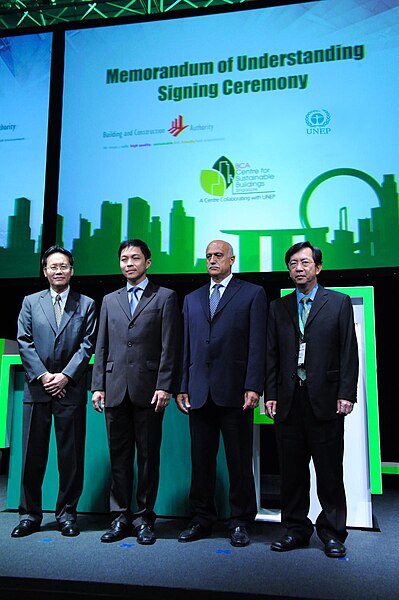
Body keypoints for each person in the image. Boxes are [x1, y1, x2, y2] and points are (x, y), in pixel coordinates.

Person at [265, 241, 358, 558]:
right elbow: (271, 356)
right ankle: (295, 529)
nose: (299, 268)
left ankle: (332, 532)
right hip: (289, 401)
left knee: (329, 471)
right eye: (293, 263)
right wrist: (271, 394)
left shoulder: (338, 303)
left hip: (327, 400)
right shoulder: (279, 307)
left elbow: (349, 352)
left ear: (318, 267)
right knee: (291, 473)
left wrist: (347, 393)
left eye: (305, 262)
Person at [176, 240, 267, 547]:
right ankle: (201, 518)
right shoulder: (191, 298)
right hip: (199, 392)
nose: (212, 260)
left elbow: (257, 345)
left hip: (236, 392)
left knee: (239, 461)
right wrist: (182, 386)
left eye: (218, 256)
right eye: (208, 256)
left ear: (232, 259)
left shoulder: (252, 293)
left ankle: (240, 520)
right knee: (200, 461)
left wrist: (254, 385)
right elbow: (185, 346)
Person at [91, 239, 181, 545]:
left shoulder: (165, 297)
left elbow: (171, 346)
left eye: (135, 258)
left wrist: (165, 385)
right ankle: (120, 517)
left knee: (147, 457)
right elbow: (101, 345)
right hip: (114, 388)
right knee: (119, 457)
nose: (129, 263)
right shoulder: (108, 299)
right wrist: (98, 385)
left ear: (148, 262)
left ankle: (144, 518)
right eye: (124, 259)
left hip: (149, 390)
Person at [11, 245, 97, 538]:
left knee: (70, 457)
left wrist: (65, 377)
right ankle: (29, 515)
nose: (58, 271)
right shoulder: (30, 302)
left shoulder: (86, 304)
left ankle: (67, 514)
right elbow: (23, 341)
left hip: (70, 390)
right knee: (32, 457)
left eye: (64, 266)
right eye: (53, 266)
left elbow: (88, 344)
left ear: (72, 270)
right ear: (45, 271)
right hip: (38, 389)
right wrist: (45, 376)